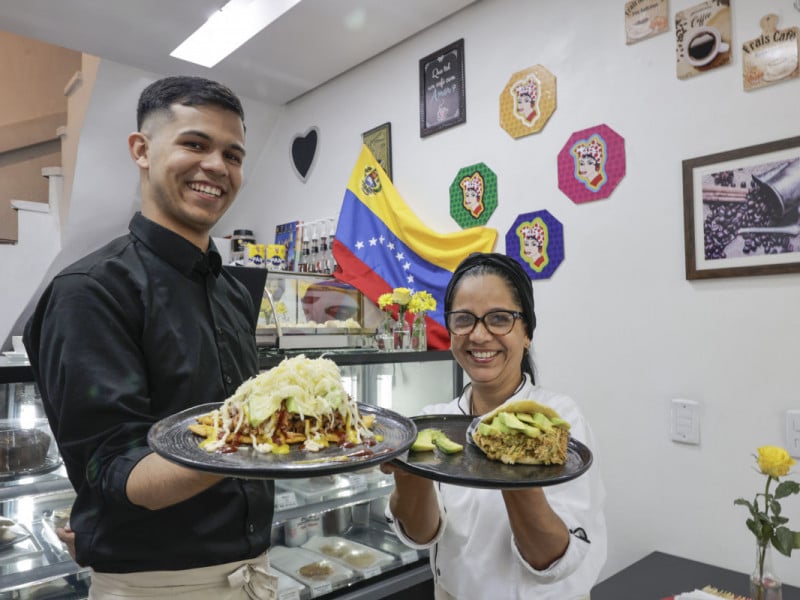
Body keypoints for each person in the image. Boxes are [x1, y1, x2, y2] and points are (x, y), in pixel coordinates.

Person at [23, 76, 277, 599]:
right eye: (195, 144)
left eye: (233, 155)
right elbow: (117, 473)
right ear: (141, 149)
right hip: (156, 587)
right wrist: (269, 438)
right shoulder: (89, 291)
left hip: (254, 573)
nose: (216, 167)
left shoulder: (230, 290)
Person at [381, 252, 606, 600]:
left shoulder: (559, 421)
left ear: (527, 332)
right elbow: (422, 534)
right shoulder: (437, 422)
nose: (480, 335)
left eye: (499, 319)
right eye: (464, 320)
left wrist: (510, 451)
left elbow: (552, 558)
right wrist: (407, 474)